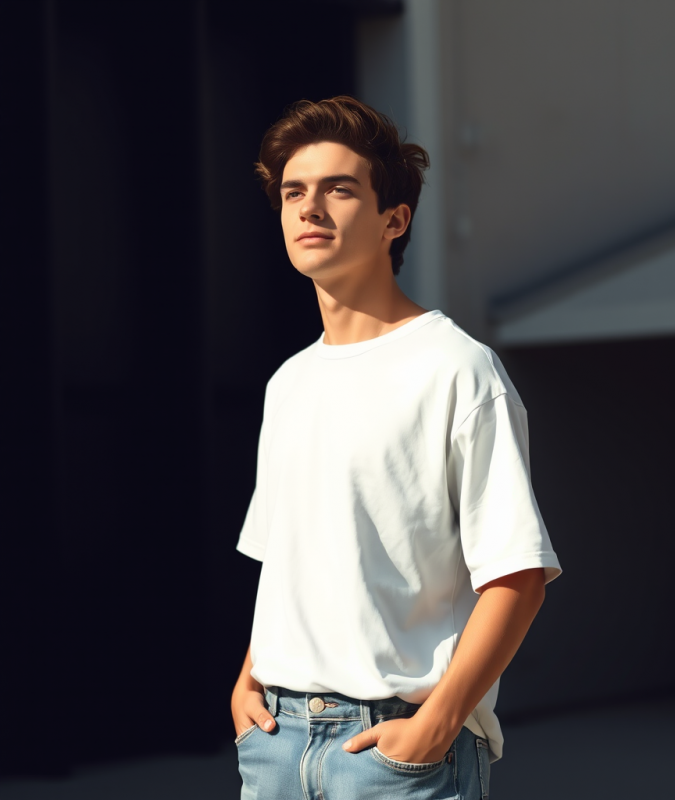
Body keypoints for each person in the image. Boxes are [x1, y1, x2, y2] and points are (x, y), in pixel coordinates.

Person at [230, 96, 561, 800]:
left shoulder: (456, 369)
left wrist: (436, 722)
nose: (309, 208)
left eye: (338, 189)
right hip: (275, 744)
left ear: (394, 220)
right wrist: (247, 682)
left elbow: (517, 577)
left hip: (396, 750)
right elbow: (285, 562)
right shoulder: (288, 383)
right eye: (294, 191)